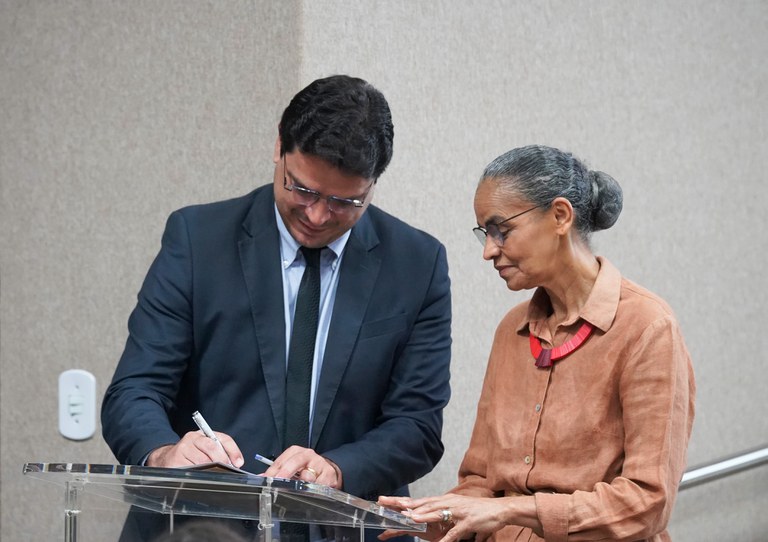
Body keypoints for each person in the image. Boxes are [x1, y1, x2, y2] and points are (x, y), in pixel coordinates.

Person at [101, 75, 452, 540]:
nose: (318, 215)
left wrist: (337, 469)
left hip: (345, 529)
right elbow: (134, 390)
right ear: (278, 149)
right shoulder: (198, 239)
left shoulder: (416, 263)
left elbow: (417, 425)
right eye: (303, 190)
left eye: (345, 201)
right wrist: (164, 453)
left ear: (373, 185)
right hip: (199, 527)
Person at [379, 145, 695, 542]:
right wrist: (431, 515)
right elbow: (481, 479)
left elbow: (646, 504)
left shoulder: (648, 327)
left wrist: (509, 509)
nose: (489, 250)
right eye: (484, 234)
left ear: (560, 216)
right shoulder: (512, 330)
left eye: (501, 230)